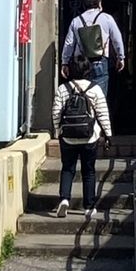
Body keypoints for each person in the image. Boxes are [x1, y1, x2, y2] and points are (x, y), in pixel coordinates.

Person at [51, 70, 112, 219]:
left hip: (68, 137)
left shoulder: (62, 89)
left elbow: (56, 112)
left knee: (67, 169)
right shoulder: (95, 88)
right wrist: (108, 134)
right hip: (89, 137)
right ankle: (89, 207)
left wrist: (59, 130)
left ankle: (64, 199)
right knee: (89, 171)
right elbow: (103, 113)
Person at [60, 0, 125, 101]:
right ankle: (95, 117)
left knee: (81, 95)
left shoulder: (76, 21)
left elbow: (69, 44)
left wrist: (65, 63)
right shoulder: (107, 18)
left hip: (80, 64)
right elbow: (117, 39)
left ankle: (84, 115)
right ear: (99, 3)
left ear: (84, 4)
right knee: (99, 98)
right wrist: (121, 57)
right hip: (100, 61)